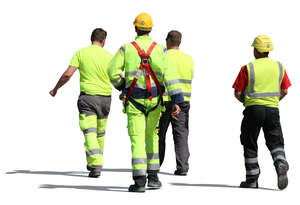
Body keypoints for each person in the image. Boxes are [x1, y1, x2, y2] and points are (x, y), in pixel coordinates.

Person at [108, 12, 184, 192]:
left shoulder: (126, 49)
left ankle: (140, 180)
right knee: (152, 137)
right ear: (150, 29)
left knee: (137, 138)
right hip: (155, 102)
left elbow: (112, 71)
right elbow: (171, 77)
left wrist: (123, 87)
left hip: (134, 101)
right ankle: (153, 177)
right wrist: (177, 101)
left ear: (135, 28)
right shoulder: (160, 50)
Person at [49, 28, 113, 178]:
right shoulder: (110, 56)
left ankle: (95, 163)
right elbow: (119, 76)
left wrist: (55, 89)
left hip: (88, 99)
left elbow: (67, 74)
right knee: (100, 133)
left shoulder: (81, 53)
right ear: (104, 41)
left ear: (92, 39)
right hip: (106, 99)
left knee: (90, 131)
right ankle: (96, 162)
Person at [232, 35, 291, 189]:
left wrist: (247, 102)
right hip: (273, 110)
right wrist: (273, 101)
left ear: (257, 50)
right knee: (275, 141)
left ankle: (252, 179)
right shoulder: (279, 67)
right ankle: (281, 162)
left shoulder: (248, 68)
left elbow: (237, 93)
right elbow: (284, 90)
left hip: (253, 110)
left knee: (249, 141)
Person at [158, 30, 194, 176]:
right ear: (180, 41)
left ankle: (156, 164)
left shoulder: (162, 57)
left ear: (167, 41)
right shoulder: (189, 59)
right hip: (184, 100)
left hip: (165, 100)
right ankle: (183, 167)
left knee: (159, 135)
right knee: (181, 135)